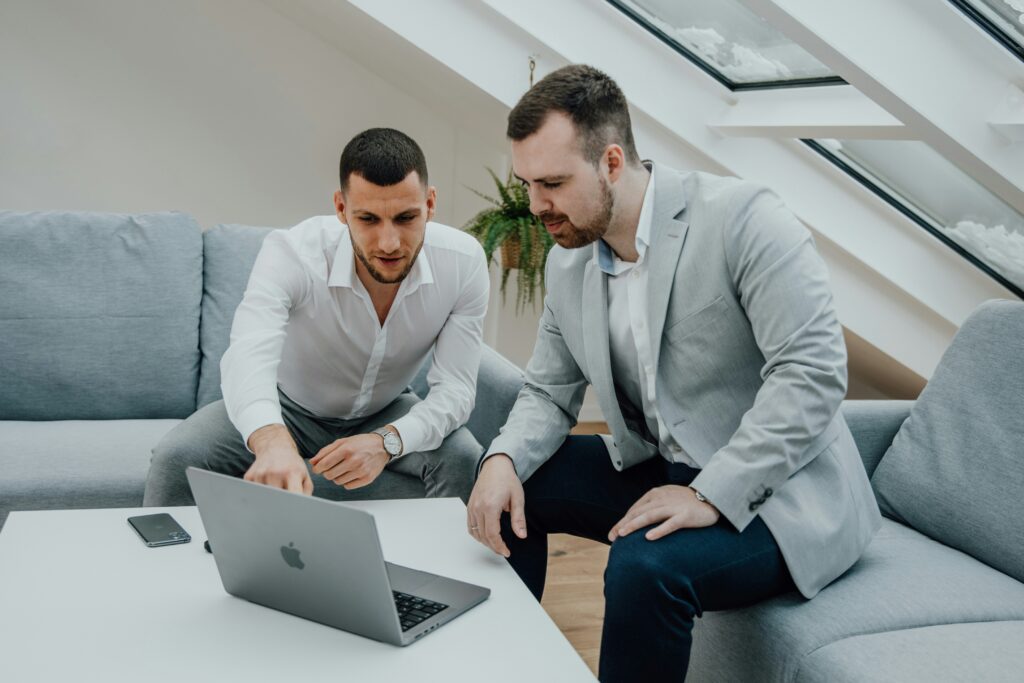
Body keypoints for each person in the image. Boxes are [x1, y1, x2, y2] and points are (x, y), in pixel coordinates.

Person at [466, 65, 881, 682]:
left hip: (781, 495)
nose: (536, 207)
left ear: (611, 162)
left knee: (642, 567)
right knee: (509, 490)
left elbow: (812, 374)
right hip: (663, 467)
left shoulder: (744, 219)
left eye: (552, 183)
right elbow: (549, 394)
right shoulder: (569, 264)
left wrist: (709, 493)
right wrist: (500, 460)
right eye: (528, 183)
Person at [144, 128, 489, 506]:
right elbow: (248, 356)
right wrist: (272, 439)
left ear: (431, 204)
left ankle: (441, 565)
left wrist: (387, 441)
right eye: (368, 219)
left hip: (386, 409)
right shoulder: (292, 253)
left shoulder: (464, 262)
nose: (389, 243)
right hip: (288, 406)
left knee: (463, 455)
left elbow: (456, 390)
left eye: (406, 218)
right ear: (341, 209)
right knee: (175, 457)